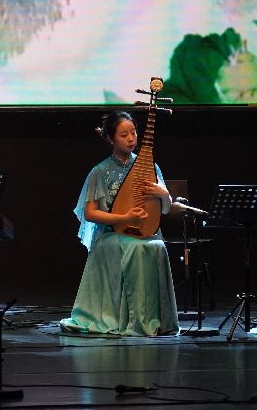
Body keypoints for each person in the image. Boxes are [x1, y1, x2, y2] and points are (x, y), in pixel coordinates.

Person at [60, 111, 178, 336]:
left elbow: (165, 207)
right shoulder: (100, 171)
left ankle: (155, 321)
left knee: (157, 246)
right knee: (137, 248)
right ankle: (132, 321)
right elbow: (90, 214)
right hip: (111, 236)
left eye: (133, 132)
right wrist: (124, 218)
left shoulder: (150, 167)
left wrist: (164, 194)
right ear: (111, 138)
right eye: (124, 135)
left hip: (143, 233)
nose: (131, 139)